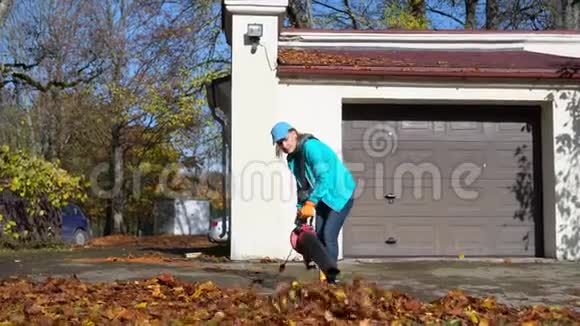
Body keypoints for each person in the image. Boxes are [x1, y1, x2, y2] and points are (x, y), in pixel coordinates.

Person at [270, 121, 356, 282]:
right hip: (322, 196)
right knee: (319, 236)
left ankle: (332, 280)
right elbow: (302, 186)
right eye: (279, 143)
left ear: (294, 134)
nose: (284, 144)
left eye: (285, 139)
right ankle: (325, 275)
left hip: (341, 193)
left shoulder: (311, 147)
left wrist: (311, 203)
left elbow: (324, 178)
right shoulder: (292, 160)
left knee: (329, 235)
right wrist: (300, 208)